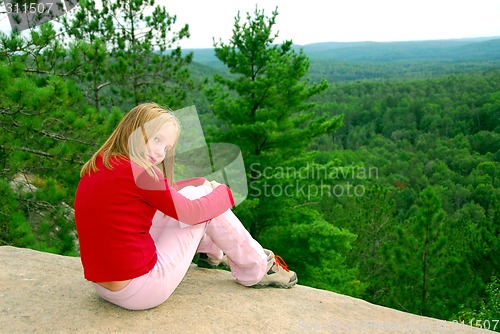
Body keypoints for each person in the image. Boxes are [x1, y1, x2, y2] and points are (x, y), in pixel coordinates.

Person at [74, 102, 297, 311]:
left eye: (167, 147)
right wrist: (224, 191)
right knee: (204, 205)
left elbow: (164, 194)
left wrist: (199, 182)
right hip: (140, 290)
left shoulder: (102, 163)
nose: (161, 152)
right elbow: (191, 213)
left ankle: (212, 253)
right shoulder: (141, 172)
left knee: (197, 193)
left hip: (105, 287)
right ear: (134, 129)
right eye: (156, 139)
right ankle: (257, 268)